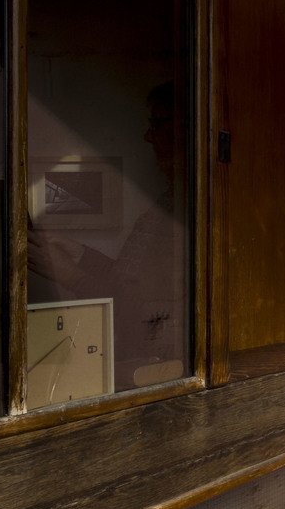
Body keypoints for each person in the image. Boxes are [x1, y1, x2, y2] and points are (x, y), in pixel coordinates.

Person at [29, 81, 188, 388]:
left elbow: (146, 309)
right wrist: (82, 254)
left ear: (186, 129)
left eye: (157, 123)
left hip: (156, 370)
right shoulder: (173, 198)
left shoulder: (188, 207)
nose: (147, 136)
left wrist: (72, 276)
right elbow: (135, 279)